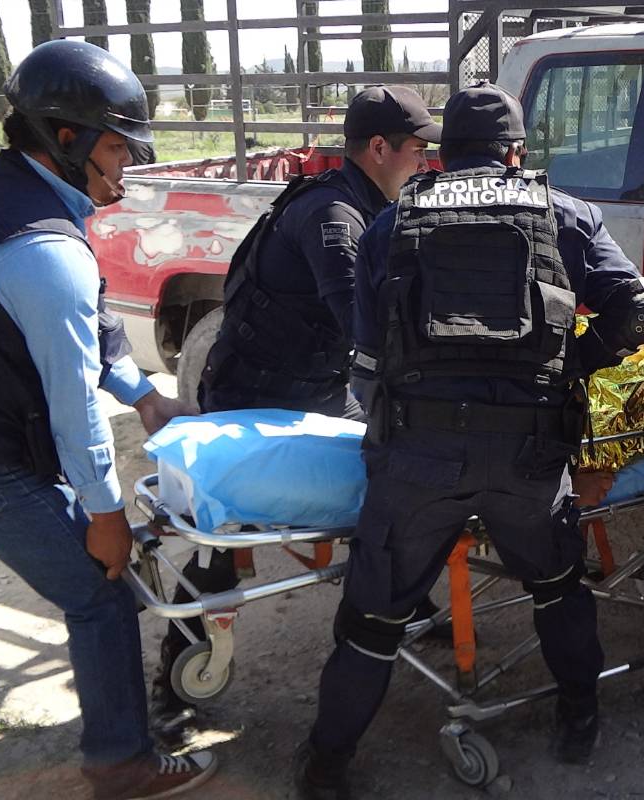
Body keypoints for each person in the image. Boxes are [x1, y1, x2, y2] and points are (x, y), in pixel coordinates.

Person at [292, 82, 644, 799]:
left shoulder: (389, 222)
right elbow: (641, 316)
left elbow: (368, 358)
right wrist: (571, 370)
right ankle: (578, 719)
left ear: (442, 152)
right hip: (529, 458)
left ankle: (326, 764)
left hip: (417, 459)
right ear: (516, 152)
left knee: (373, 621)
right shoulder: (564, 213)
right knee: (557, 588)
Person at [0, 40, 216, 799]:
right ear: (66, 138)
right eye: (118, 145)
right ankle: (122, 761)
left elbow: (81, 330)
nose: (127, 162)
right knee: (100, 592)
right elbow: (69, 401)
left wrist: (145, 395)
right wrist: (104, 511)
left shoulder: (5, 196)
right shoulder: (43, 251)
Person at [151, 85, 444, 732]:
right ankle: (175, 681)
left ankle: (409, 600)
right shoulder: (336, 218)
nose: (425, 162)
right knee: (220, 535)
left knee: (389, 480)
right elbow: (365, 325)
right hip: (251, 398)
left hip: (309, 386)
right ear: (378, 149)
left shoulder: (365, 204)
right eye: (417, 150)